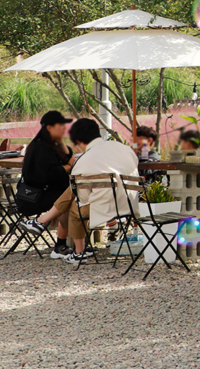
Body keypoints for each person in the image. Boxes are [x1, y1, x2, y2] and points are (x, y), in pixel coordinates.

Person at [20, 118, 139, 264]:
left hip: (105, 208)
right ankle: (42, 222)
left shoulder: (85, 160)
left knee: (74, 206)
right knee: (74, 192)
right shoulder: (123, 148)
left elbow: (82, 197)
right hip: (130, 203)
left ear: (79, 140)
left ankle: (77, 251)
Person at [15, 111, 75, 256]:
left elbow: (68, 157)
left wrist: (61, 143)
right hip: (33, 197)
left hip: (45, 192)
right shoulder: (41, 147)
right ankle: (61, 245)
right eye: (60, 125)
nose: (63, 128)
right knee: (70, 199)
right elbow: (50, 175)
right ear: (49, 127)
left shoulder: (51, 145)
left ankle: (65, 242)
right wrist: (70, 166)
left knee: (71, 195)